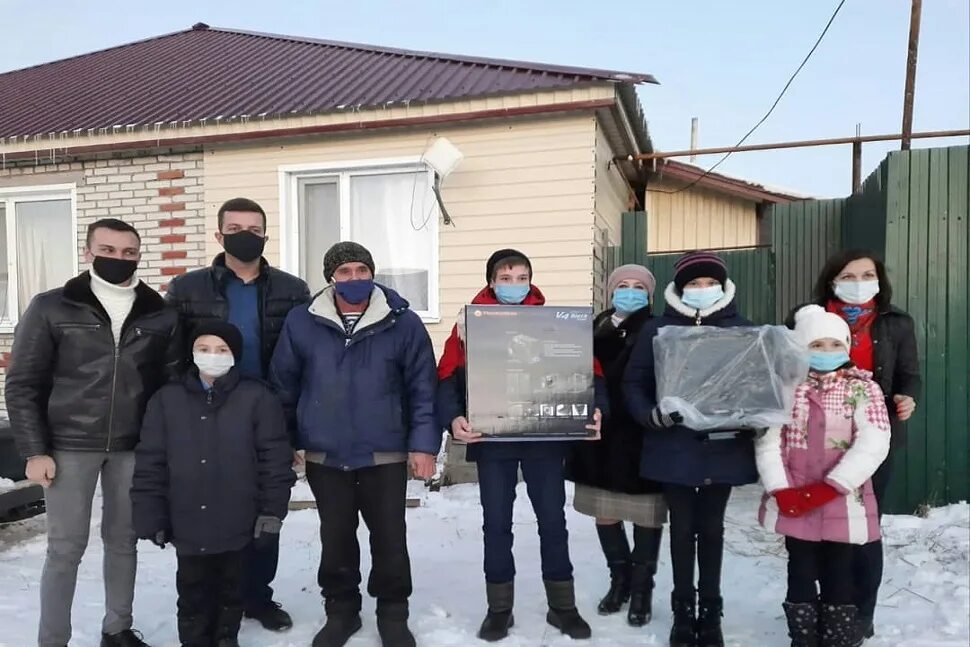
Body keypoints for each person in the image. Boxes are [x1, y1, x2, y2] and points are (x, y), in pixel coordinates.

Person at [5, 218, 180, 647]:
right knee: (65, 549)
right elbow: (23, 382)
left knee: (123, 542)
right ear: (88, 252)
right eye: (108, 250)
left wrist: (162, 448)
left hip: (132, 447)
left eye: (128, 253)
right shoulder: (52, 306)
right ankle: (53, 639)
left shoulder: (159, 313)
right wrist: (34, 449)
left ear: (139, 255)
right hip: (68, 446)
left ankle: (117, 629)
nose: (118, 259)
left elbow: (170, 388)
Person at [270, 241, 439, 647]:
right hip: (326, 452)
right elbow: (283, 385)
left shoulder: (403, 322)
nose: (354, 278)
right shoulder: (302, 321)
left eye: (362, 270)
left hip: (385, 451)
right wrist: (288, 441)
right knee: (336, 537)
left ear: (372, 274)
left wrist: (423, 446)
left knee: (389, 537)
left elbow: (422, 388)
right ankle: (341, 612)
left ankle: (393, 615)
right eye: (344, 271)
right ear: (331, 276)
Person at [436, 249, 604, 643]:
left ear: (531, 279)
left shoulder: (555, 323)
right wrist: (453, 418)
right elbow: (446, 377)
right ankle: (499, 610)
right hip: (493, 439)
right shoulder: (468, 325)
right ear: (491, 281)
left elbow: (590, 373)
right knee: (497, 524)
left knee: (553, 522)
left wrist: (597, 412)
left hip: (544, 439)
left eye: (522, 277)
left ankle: (562, 607)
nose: (514, 284)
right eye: (505, 277)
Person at [166, 197, 310, 632]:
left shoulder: (292, 289)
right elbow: (171, 357)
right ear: (219, 234)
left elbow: (304, 362)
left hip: (268, 414)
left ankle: (257, 596)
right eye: (235, 227)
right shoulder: (187, 289)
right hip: (207, 413)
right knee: (208, 507)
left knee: (267, 508)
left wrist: (295, 430)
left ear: (266, 235)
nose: (245, 234)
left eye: (253, 228)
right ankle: (208, 597)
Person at [622, 251, 759, 647]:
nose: (702, 290)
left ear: (723, 286)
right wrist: (652, 415)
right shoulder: (658, 329)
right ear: (680, 290)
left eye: (709, 283)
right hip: (674, 446)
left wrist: (748, 411)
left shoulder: (743, 330)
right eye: (693, 284)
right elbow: (635, 383)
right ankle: (683, 609)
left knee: (712, 528)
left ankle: (711, 611)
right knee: (682, 529)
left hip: (723, 444)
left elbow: (759, 382)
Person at [132, 321, 296, 647]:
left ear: (235, 356)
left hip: (238, 519)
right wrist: (151, 514)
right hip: (186, 519)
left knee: (231, 590)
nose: (213, 356)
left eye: (222, 350)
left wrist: (271, 511)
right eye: (204, 349)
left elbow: (274, 461)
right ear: (191, 353)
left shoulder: (257, 398)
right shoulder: (167, 400)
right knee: (192, 593)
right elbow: (151, 462)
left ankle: (225, 638)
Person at [790, 250, 921, 639]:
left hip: (871, 443)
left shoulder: (896, 323)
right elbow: (784, 367)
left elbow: (910, 375)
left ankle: (860, 612)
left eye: (867, 274)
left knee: (862, 531)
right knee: (809, 532)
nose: (859, 282)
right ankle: (812, 611)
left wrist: (907, 397)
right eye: (849, 275)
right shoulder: (805, 317)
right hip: (811, 443)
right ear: (832, 280)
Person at [757, 305, 891, 647]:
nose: (827, 352)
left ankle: (837, 635)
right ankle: (803, 636)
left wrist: (834, 486)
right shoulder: (786, 389)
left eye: (835, 344)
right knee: (799, 568)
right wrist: (780, 489)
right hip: (794, 501)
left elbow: (874, 442)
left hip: (843, 502)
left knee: (839, 570)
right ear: (802, 347)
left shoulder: (862, 389)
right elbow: (769, 443)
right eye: (817, 345)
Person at [565, 264, 667, 628]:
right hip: (598, 433)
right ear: (610, 291)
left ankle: (642, 589)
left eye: (638, 286)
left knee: (645, 513)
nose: (629, 291)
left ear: (650, 294)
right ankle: (620, 580)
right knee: (604, 508)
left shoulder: (658, 329)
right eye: (622, 285)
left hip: (640, 433)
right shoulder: (592, 327)